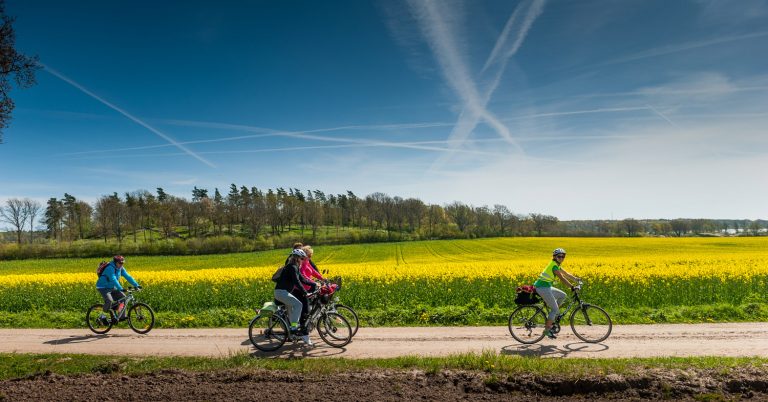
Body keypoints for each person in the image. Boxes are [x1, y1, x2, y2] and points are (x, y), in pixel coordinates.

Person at [534, 248, 580, 339]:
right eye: (559, 256)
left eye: (563, 256)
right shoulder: (554, 266)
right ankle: (547, 330)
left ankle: (553, 315)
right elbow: (562, 278)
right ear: (554, 257)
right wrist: (572, 287)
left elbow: (566, 273)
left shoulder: (557, 265)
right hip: (542, 288)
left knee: (563, 295)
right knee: (554, 309)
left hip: (546, 286)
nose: (561, 258)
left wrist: (577, 279)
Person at [274, 248, 315, 346]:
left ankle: (292, 330)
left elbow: (303, 279)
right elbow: (297, 282)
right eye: (302, 259)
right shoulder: (292, 267)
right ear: (297, 258)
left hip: (283, 292)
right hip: (281, 292)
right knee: (298, 304)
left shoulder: (294, 267)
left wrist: (314, 284)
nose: (303, 261)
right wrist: (305, 292)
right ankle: (293, 328)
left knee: (292, 310)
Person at [95, 255, 140, 325]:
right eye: (120, 263)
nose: (121, 264)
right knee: (109, 301)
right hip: (103, 287)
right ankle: (102, 316)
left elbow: (128, 276)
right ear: (115, 262)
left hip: (112, 287)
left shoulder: (121, 268)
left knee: (123, 298)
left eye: (123, 263)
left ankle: (121, 316)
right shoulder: (110, 268)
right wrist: (120, 288)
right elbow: (113, 279)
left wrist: (136, 285)